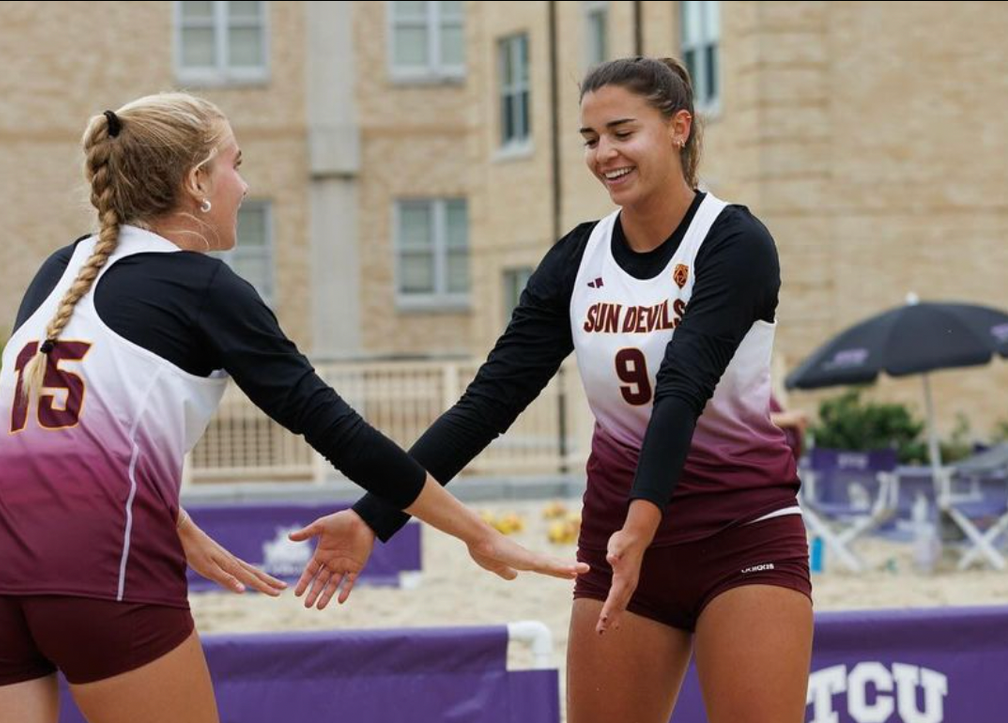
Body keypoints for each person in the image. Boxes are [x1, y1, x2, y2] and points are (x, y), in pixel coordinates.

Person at [0, 92, 586, 723]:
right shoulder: (203, 286)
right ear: (196, 182)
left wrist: (175, 522)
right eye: (234, 164)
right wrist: (477, 532)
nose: (243, 185)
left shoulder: (60, 268)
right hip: (98, 564)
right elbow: (340, 432)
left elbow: (50, 430)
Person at [293, 58, 813, 723]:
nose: (604, 153)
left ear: (679, 127)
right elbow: (488, 403)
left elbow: (683, 380)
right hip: (618, 543)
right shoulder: (579, 259)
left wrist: (644, 518)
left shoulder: (735, 242)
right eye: (590, 138)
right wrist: (375, 514)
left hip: (739, 534)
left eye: (622, 132)